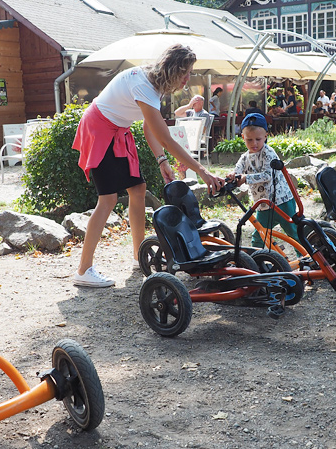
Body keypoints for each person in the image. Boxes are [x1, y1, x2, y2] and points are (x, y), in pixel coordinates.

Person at [71, 44, 224, 288]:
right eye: (185, 73)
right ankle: (83, 270)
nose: (188, 78)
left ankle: (138, 255)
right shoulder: (144, 84)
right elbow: (164, 136)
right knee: (108, 199)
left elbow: (148, 126)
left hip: (117, 131)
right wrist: (202, 171)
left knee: (138, 189)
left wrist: (161, 159)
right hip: (99, 130)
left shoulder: (156, 84)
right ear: (173, 70)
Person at [226, 113, 301, 255]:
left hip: (282, 202)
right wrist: (232, 176)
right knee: (259, 236)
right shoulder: (245, 157)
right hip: (263, 205)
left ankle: (306, 258)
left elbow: (267, 175)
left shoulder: (269, 153)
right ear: (243, 137)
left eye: (258, 139)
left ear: (266, 136)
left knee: (294, 233)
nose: (254, 144)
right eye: (249, 140)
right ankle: (258, 262)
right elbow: (238, 171)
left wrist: (245, 178)